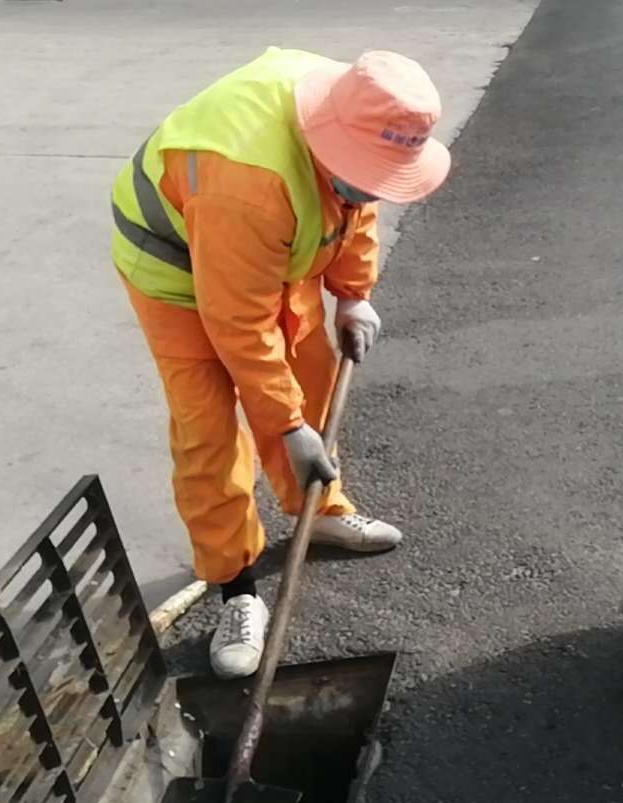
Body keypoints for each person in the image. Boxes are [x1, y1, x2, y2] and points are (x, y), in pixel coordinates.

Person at [109, 46, 450, 678]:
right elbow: (238, 326)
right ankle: (235, 585)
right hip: (175, 270)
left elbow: (356, 202)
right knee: (208, 426)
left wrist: (353, 293)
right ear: (328, 140)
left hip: (265, 250)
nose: (371, 187)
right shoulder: (247, 183)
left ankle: (318, 510)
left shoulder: (358, 110)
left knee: (310, 375)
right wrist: (288, 426)